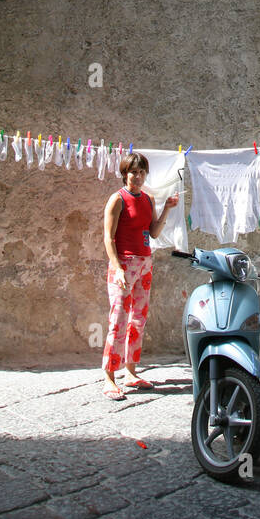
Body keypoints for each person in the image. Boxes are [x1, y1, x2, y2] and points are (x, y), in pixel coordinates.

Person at [101, 151, 178, 399]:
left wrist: (166, 208)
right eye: (133, 171)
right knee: (118, 321)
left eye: (142, 172)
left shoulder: (147, 200)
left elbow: (153, 233)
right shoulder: (117, 199)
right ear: (125, 174)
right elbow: (108, 237)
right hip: (123, 264)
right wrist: (117, 267)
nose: (138, 176)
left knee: (138, 320)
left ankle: (131, 372)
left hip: (145, 263)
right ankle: (109, 377)